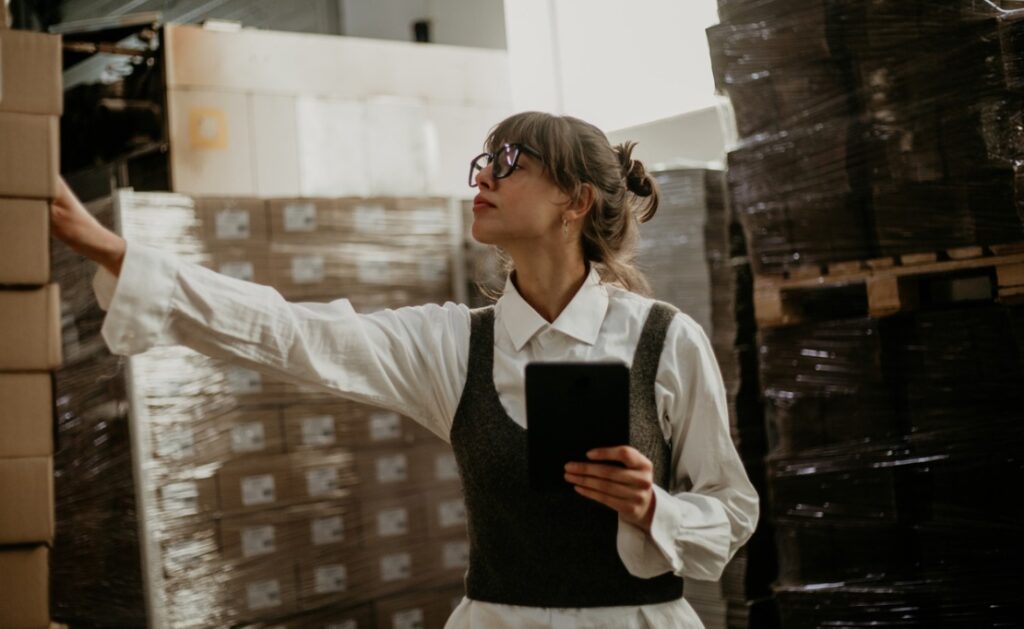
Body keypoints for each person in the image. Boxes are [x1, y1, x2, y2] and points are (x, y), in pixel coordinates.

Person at [52, 111, 759, 628]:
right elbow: (292, 332)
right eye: (483, 159)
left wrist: (655, 507)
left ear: (575, 202)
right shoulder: (455, 345)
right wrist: (114, 251)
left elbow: (732, 508)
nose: (482, 175)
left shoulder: (666, 340)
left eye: (510, 161)